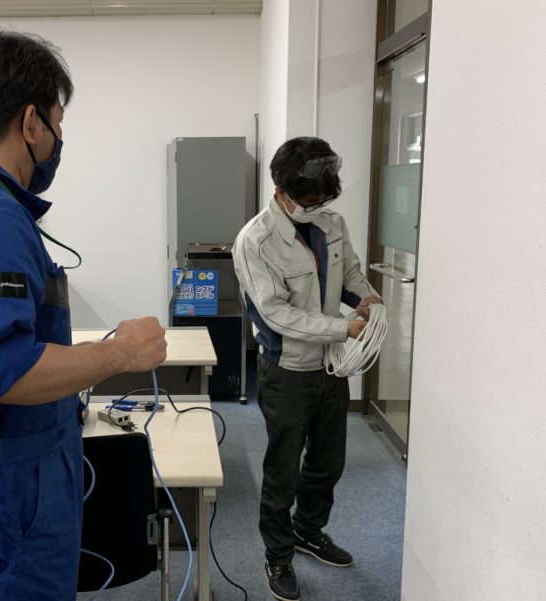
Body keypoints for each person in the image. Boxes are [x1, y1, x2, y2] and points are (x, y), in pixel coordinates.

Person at [0, 27, 167, 601]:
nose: (59, 138)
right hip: (12, 485)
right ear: (30, 123)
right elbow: (3, 372)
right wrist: (120, 353)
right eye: (57, 122)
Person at [232, 136, 381, 601]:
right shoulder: (255, 241)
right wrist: (343, 327)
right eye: (308, 201)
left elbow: (349, 273)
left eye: (322, 200)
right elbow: (276, 313)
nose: (316, 208)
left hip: (331, 368)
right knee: (284, 470)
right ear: (280, 191)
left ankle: (308, 531)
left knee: (328, 462)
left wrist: (367, 297)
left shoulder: (332, 223)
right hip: (288, 370)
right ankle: (278, 555)